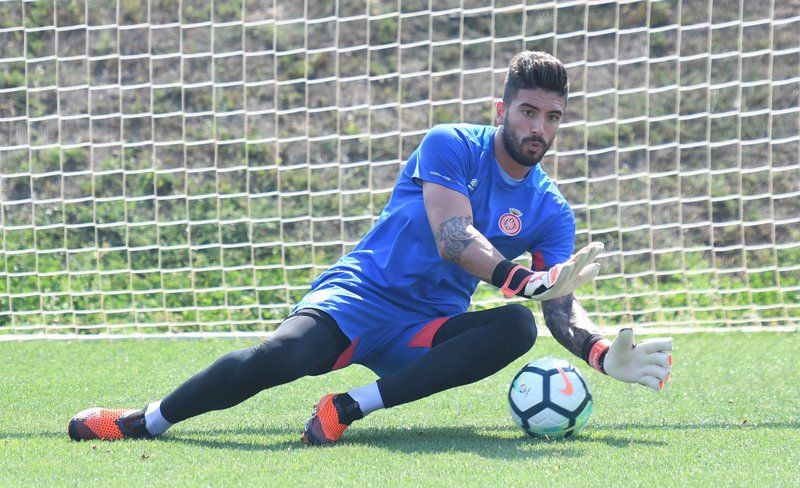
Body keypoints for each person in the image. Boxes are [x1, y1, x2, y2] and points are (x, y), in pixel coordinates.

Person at [68, 51, 673, 445]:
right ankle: (146, 420)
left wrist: (596, 351)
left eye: (552, 117)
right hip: (360, 298)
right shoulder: (452, 144)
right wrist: (519, 278)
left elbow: (557, 304)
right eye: (528, 111)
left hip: (424, 328)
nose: (538, 128)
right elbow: (453, 237)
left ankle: (349, 408)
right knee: (277, 359)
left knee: (516, 329)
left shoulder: (551, 209)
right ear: (503, 110)